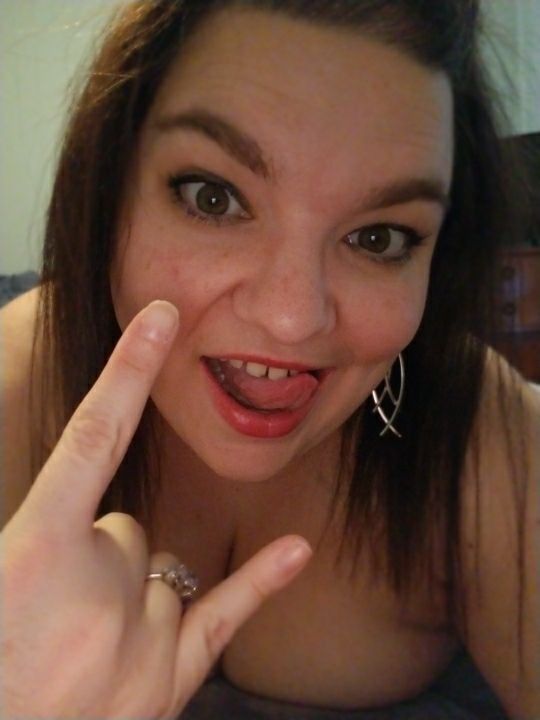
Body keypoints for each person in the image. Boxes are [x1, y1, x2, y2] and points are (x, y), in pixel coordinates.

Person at [1, 1, 538, 718]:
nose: (292, 318)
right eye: (213, 197)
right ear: (111, 186)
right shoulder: (19, 382)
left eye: (378, 238)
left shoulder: (478, 434)